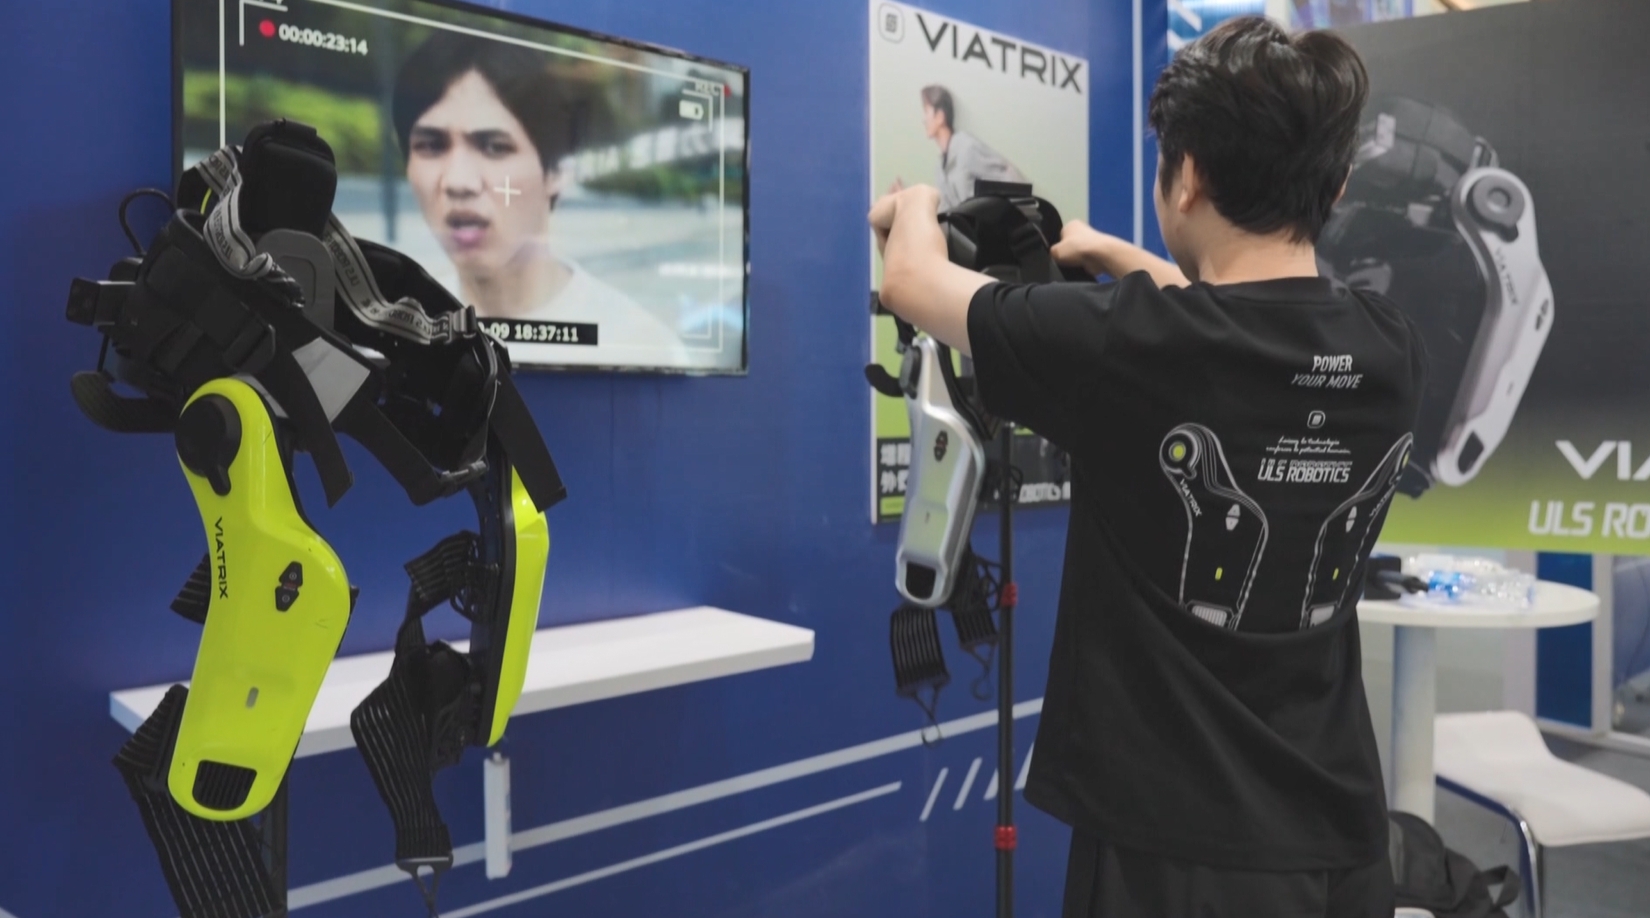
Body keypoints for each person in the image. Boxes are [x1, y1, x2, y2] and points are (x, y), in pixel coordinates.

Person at [870, 16, 1425, 918]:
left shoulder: (1131, 349)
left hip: (1180, 853)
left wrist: (917, 205)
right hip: (1345, 838)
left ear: (1187, 173)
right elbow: (1240, 329)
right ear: (1337, 185)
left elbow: (911, 283)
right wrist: (1114, 252)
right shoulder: (1390, 344)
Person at [392, 31, 686, 365]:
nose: (458, 182)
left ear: (557, 170)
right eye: (431, 146)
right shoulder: (393, 341)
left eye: (494, 147)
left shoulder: (644, 345)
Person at [891, 85, 1029, 211]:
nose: (923, 119)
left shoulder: (966, 148)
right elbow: (943, 216)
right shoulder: (940, 169)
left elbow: (1012, 181)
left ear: (940, 116)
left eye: (926, 111)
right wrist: (907, 199)